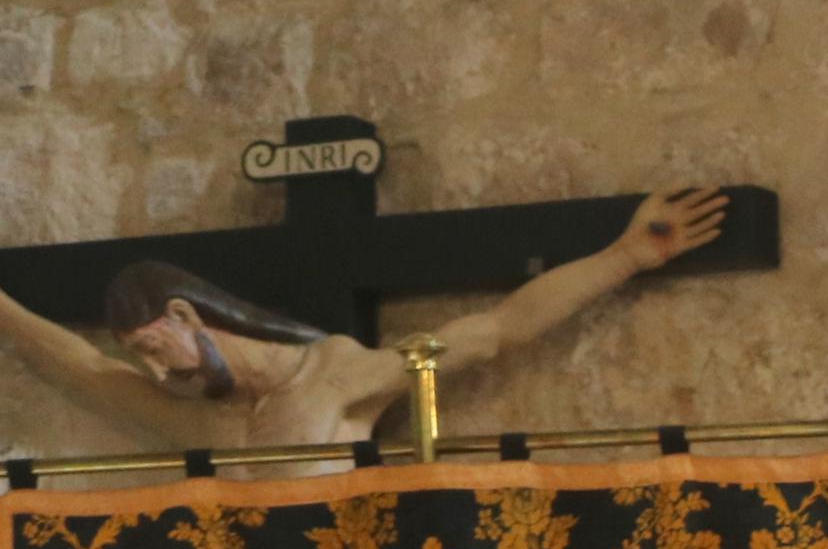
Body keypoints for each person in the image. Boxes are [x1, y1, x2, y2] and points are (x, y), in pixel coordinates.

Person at [0, 186, 728, 453]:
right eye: (145, 361)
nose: (159, 374)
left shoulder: (338, 377)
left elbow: (499, 329)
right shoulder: (198, 421)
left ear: (188, 315)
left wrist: (627, 256)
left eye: (159, 349)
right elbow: (82, 366)